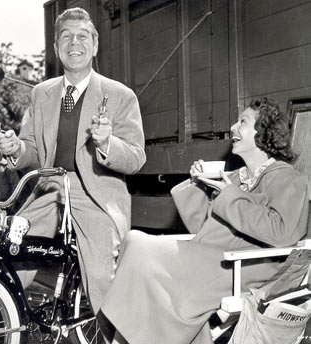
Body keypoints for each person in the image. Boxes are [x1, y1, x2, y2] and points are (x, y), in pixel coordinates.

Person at [99, 97, 310, 344]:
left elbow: (282, 232)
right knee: (133, 241)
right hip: (213, 255)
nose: (232, 127)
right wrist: (200, 185)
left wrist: (229, 194)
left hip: (246, 265)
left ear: (264, 133)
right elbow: (202, 228)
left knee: (141, 251)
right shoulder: (236, 177)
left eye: (242, 122)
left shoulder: (287, 178)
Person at [0, 7, 146, 315]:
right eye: (66, 37)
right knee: (11, 251)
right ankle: (7, 320)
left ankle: (115, 335)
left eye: (82, 36)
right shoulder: (42, 93)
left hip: (96, 195)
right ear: (55, 48)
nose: (73, 43)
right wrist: (14, 148)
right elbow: (32, 151)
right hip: (49, 189)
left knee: (104, 277)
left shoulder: (120, 95)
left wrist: (106, 142)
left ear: (95, 44)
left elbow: (135, 157)